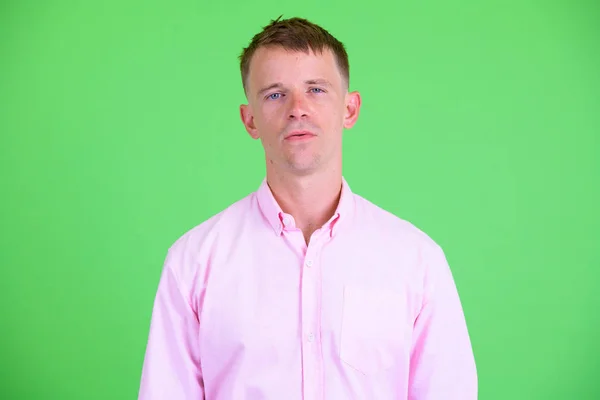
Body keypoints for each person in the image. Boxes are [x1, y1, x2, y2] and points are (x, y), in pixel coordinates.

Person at [138, 16, 477, 400]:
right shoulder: (193, 263)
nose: (297, 109)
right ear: (250, 120)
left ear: (350, 109)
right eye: (275, 94)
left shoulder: (417, 261)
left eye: (316, 89)